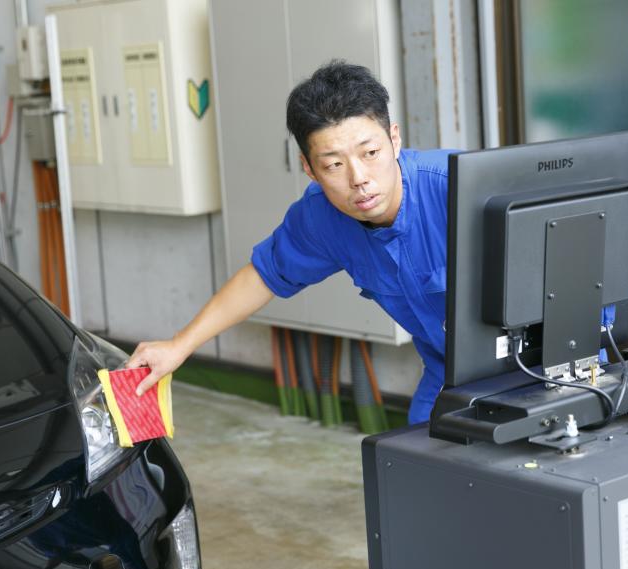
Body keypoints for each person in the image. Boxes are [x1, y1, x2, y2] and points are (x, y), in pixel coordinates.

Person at [127, 60, 455, 425]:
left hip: (524, 366)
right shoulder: (321, 218)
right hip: (448, 374)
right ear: (309, 169)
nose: (359, 178)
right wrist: (179, 346)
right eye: (333, 165)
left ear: (394, 139)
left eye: (370, 153)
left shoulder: (456, 186)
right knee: (413, 466)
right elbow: (263, 276)